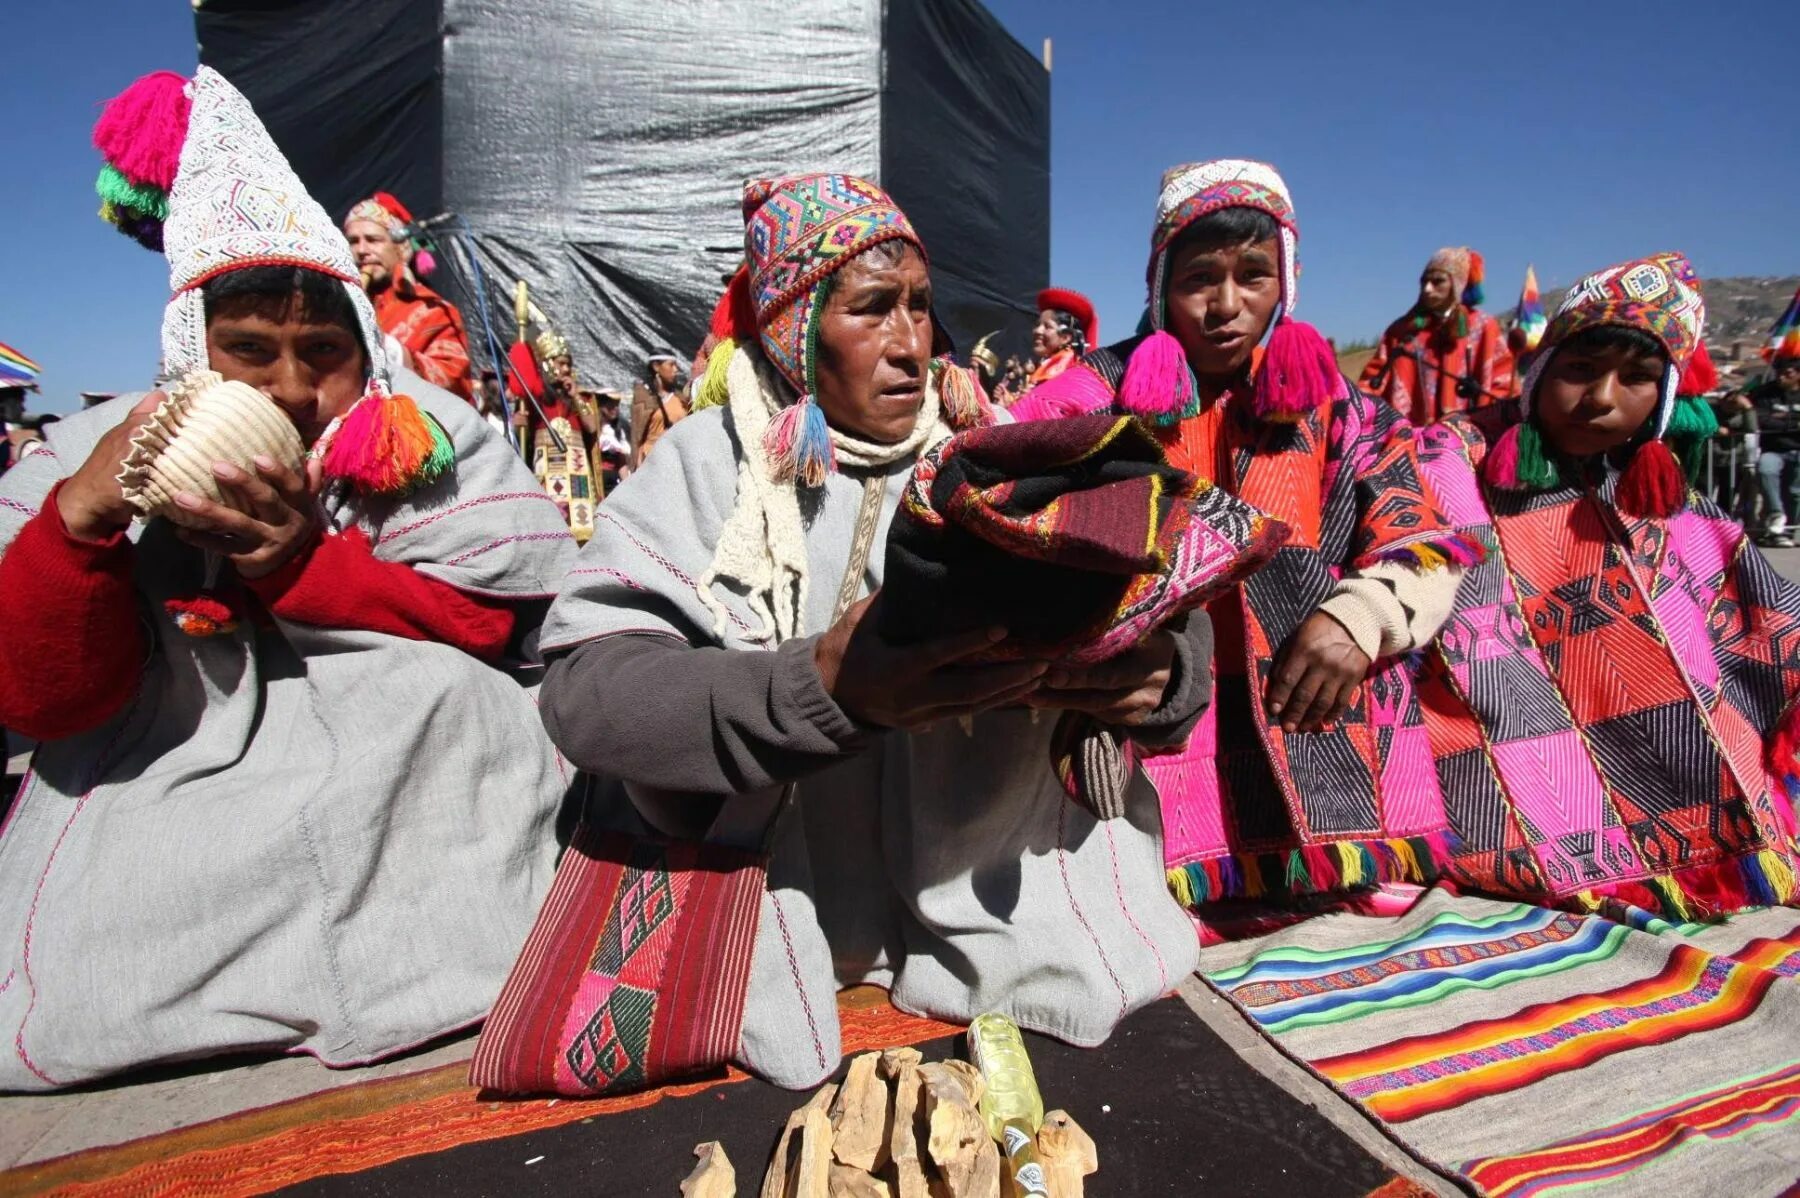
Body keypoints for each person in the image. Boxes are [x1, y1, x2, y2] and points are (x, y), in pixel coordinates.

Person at [523, 174, 1214, 1091]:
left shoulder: (997, 461)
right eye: (871, 310)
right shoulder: (707, 469)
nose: (909, 346)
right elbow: (587, 696)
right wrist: (814, 688)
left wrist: (1158, 676)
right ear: (792, 329)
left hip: (1004, 927)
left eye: (921, 308)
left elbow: (1175, 614)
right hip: (788, 921)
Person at [0, 68, 576, 1091]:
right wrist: (82, 527)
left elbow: (496, 627)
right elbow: (47, 701)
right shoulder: (88, 453)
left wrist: (304, 564)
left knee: (447, 709)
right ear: (191, 349)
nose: (294, 390)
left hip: (420, 799)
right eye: (250, 352)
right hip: (175, 802)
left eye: (324, 351)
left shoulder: (425, 439)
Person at [1009, 160, 1475, 905]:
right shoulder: (1094, 390)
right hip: (1150, 702)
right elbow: (1008, 467)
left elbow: (1428, 533)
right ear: (1161, 284)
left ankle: (1326, 851)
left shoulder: (1341, 410)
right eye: (1199, 279)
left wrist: (1361, 620)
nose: (1226, 305)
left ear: (1284, 281)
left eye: (1253, 276)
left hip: (1303, 697)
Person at [1411, 252, 1800, 919]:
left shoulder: (1667, 497)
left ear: (1665, 396)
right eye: (1581, 370)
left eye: (1638, 379)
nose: (1601, 399)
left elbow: (1762, 625)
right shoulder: (1448, 457)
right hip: (1495, 761)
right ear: (1542, 370)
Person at [344, 191, 475, 403]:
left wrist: (390, 350)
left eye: (373, 240)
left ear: (401, 248)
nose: (361, 250)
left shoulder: (432, 311)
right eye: (353, 241)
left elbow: (453, 379)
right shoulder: (339, 307)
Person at [1360, 246, 1517, 424]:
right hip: (1412, 439)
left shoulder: (1484, 328)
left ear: (1457, 284)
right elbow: (1372, 383)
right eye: (1424, 281)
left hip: (1471, 438)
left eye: (1437, 281)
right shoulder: (1401, 331)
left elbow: (1504, 386)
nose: (1427, 289)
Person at [1748, 353, 1800, 546]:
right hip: (1773, 449)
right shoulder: (1765, 393)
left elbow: (1773, 420)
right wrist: (1793, 421)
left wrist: (1781, 419)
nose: (1781, 377)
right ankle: (1776, 514)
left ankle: (1786, 531)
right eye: (1779, 372)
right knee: (1766, 470)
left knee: (1795, 492)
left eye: (1787, 373)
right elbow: (1762, 420)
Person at [1024, 287, 1097, 392]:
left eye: (1047, 326)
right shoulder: (1049, 364)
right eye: (1038, 324)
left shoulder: (1065, 366)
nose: (1037, 331)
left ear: (1065, 338)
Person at [629, 351, 689, 469]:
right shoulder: (643, 397)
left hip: (677, 461)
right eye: (671, 365)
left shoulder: (680, 399)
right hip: (651, 462)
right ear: (656, 367)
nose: (676, 370)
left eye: (676, 365)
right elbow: (637, 435)